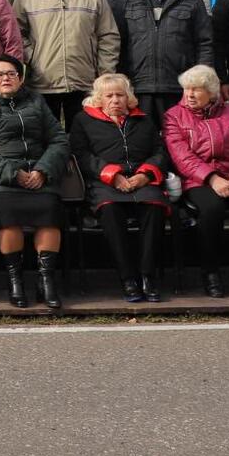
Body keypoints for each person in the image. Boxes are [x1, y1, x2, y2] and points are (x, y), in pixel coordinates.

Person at [0, 53, 68, 309]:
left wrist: (42, 170)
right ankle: (16, 279)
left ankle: (46, 280)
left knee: (50, 210)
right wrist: (13, 174)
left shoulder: (36, 102)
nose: (6, 78)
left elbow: (59, 140)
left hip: (39, 175)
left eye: (11, 73)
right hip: (3, 180)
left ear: (20, 78)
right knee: (7, 214)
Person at [164, 65, 229, 298]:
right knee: (212, 209)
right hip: (198, 180)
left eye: (196, 90)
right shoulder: (173, 116)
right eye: (186, 89)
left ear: (211, 92)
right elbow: (181, 156)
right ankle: (210, 272)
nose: (189, 95)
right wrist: (211, 178)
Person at [70, 72, 169, 304]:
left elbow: (159, 152)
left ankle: (147, 276)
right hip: (104, 182)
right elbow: (81, 154)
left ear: (129, 98)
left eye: (120, 95)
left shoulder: (144, 120)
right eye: (109, 95)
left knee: (155, 208)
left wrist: (145, 174)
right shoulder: (83, 120)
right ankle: (128, 279)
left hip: (141, 179)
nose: (115, 100)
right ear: (99, 99)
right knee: (111, 210)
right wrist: (111, 175)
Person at [13, 0, 120, 128]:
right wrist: (34, 56)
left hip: (84, 83)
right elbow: (16, 34)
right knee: (44, 143)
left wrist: (104, 74)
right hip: (42, 84)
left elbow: (108, 35)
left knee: (84, 143)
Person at [121, 0, 214, 122]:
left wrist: (202, 82)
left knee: (178, 143)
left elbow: (205, 43)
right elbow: (118, 42)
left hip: (180, 88)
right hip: (138, 88)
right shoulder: (128, 0)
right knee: (144, 145)